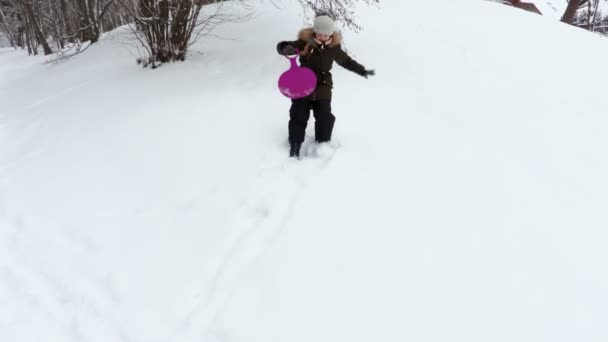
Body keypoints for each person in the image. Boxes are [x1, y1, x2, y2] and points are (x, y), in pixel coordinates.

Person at [276, 14, 375, 158]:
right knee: (298, 114)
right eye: (319, 33)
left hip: (323, 85)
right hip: (303, 82)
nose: (322, 36)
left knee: (324, 116)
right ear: (315, 31)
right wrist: (285, 47)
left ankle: (322, 143)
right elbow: (287, 46)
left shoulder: (334, 48)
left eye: (325, 34)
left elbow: (346, 61)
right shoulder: (305, 42)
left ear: (331, 34)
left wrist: (362, 71)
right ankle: (295, 145)